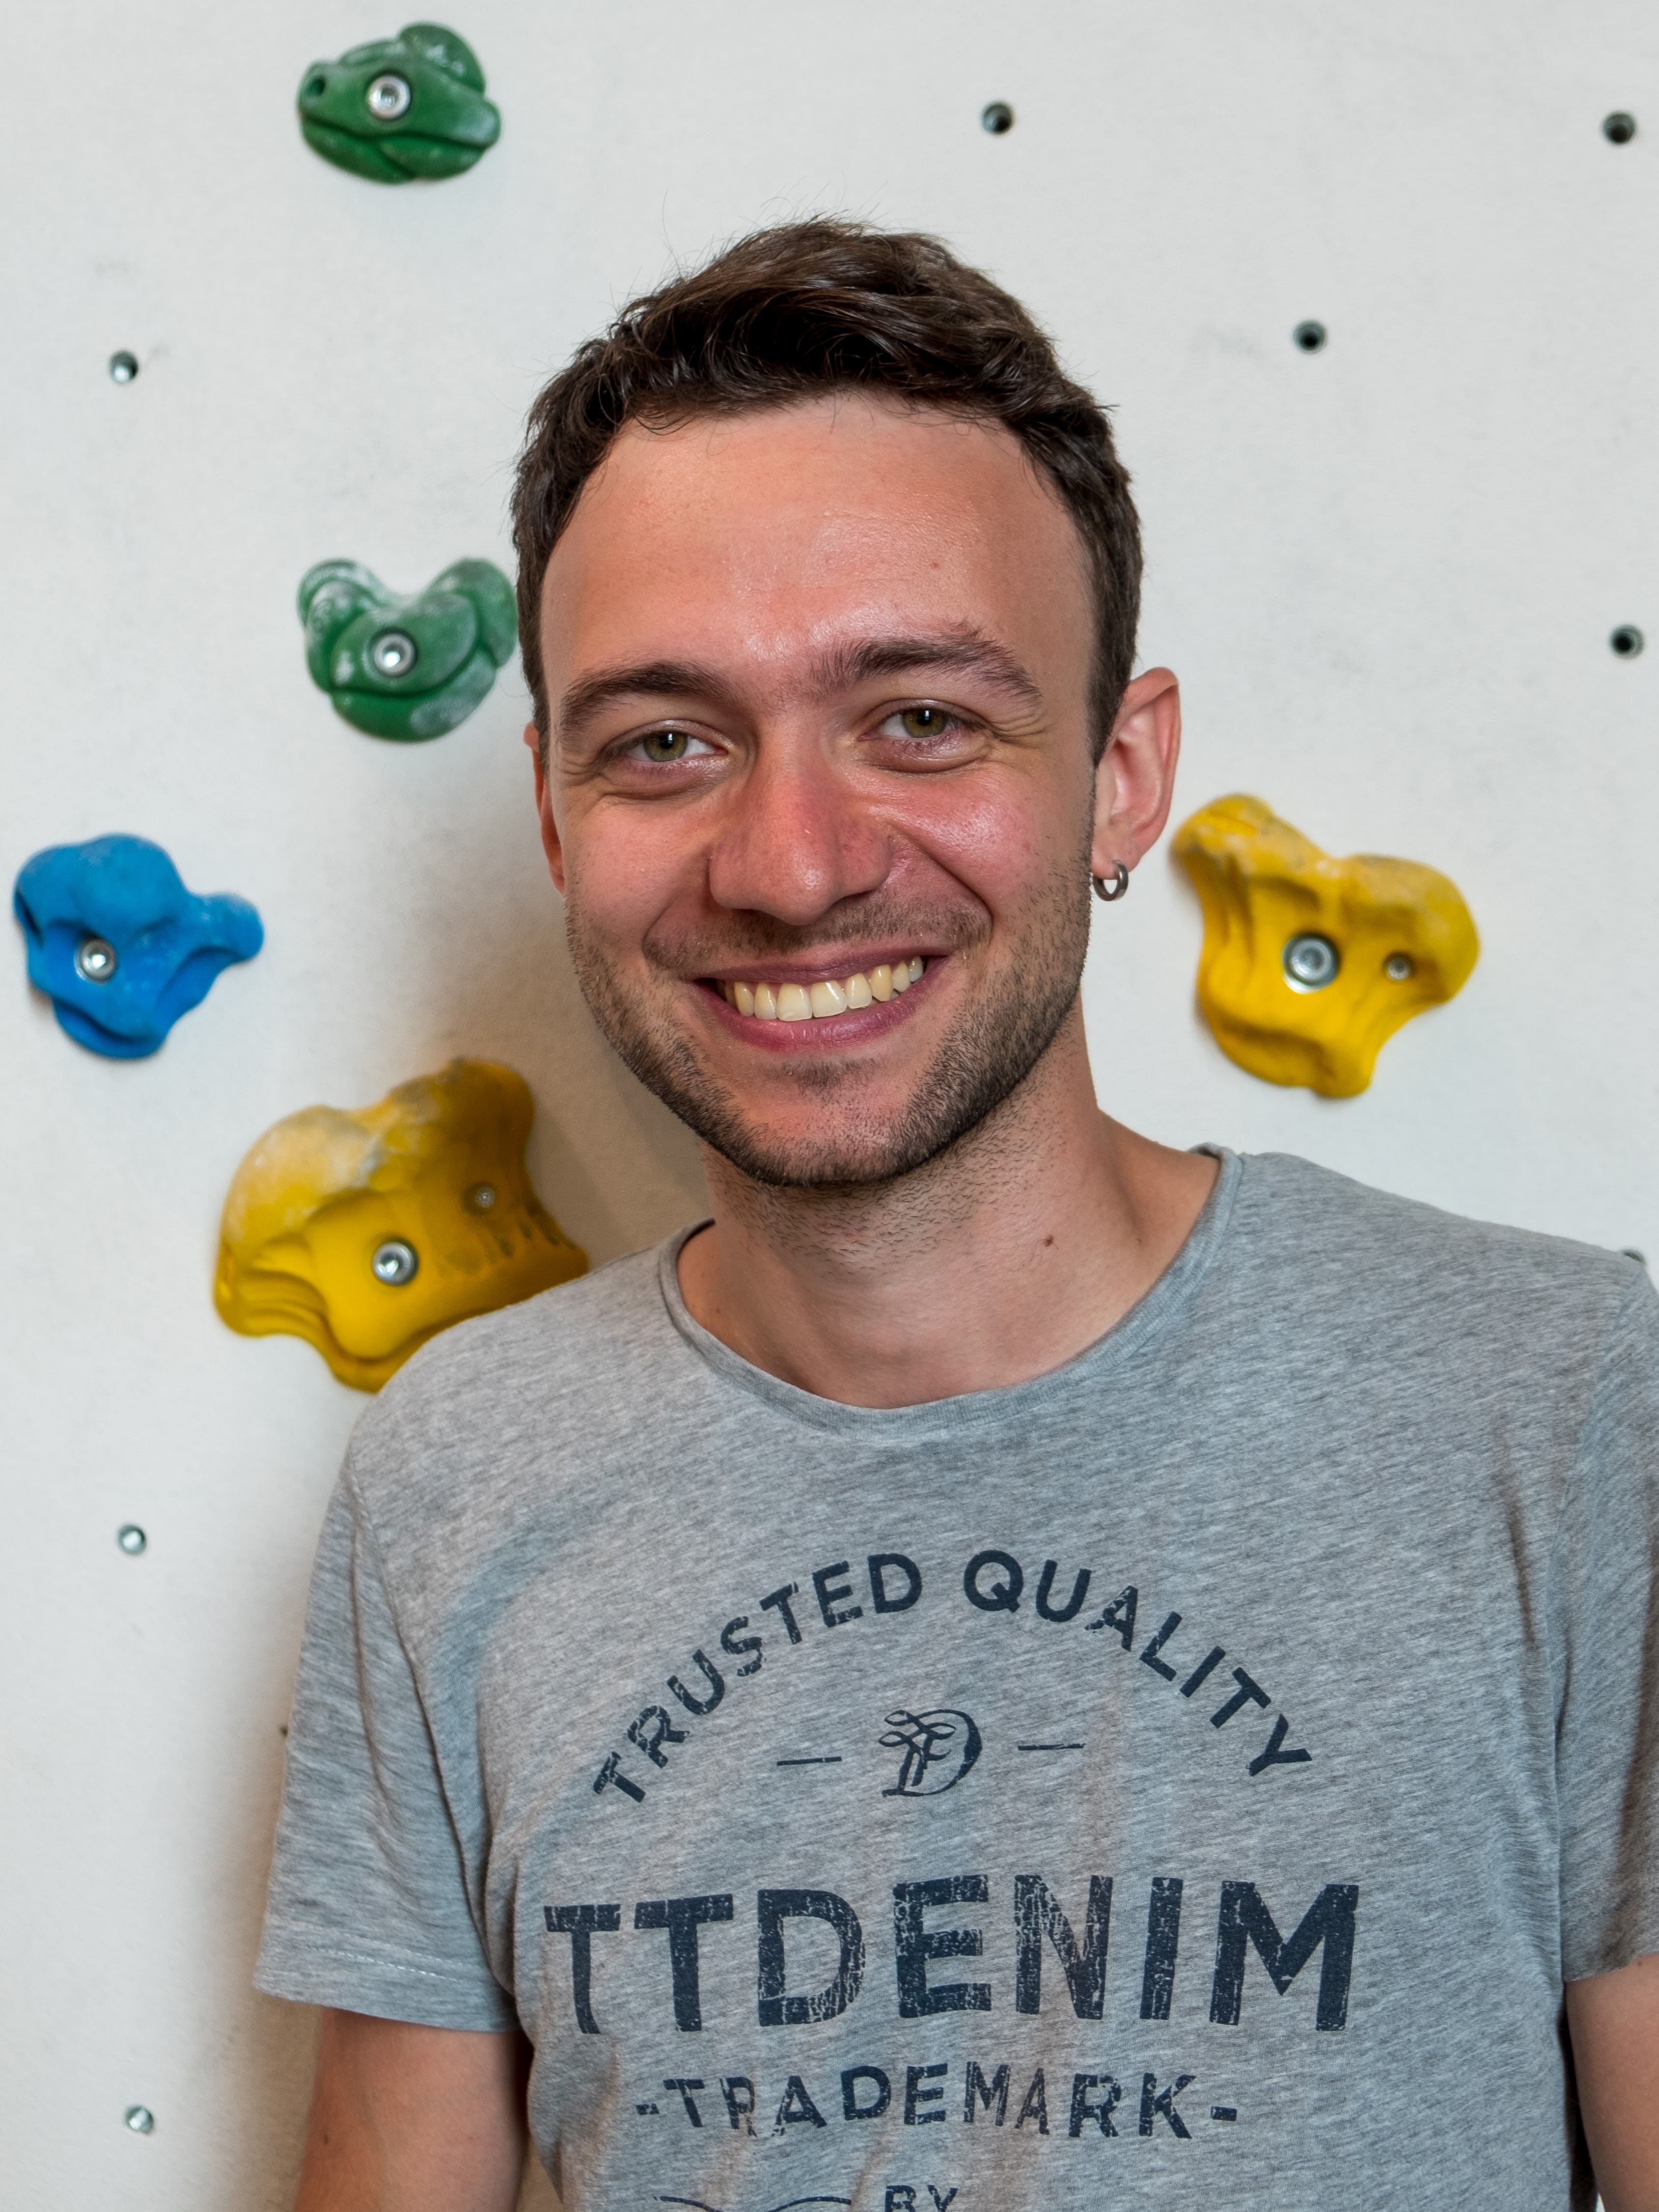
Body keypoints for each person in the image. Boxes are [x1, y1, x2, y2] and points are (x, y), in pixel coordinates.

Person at [258, 220, 1659, 2212]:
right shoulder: (455, 1480)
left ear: (1121, 774)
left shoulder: (1563, 1404)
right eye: (666, 742)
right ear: (559, 811)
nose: (792, 865)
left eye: (918, 718)